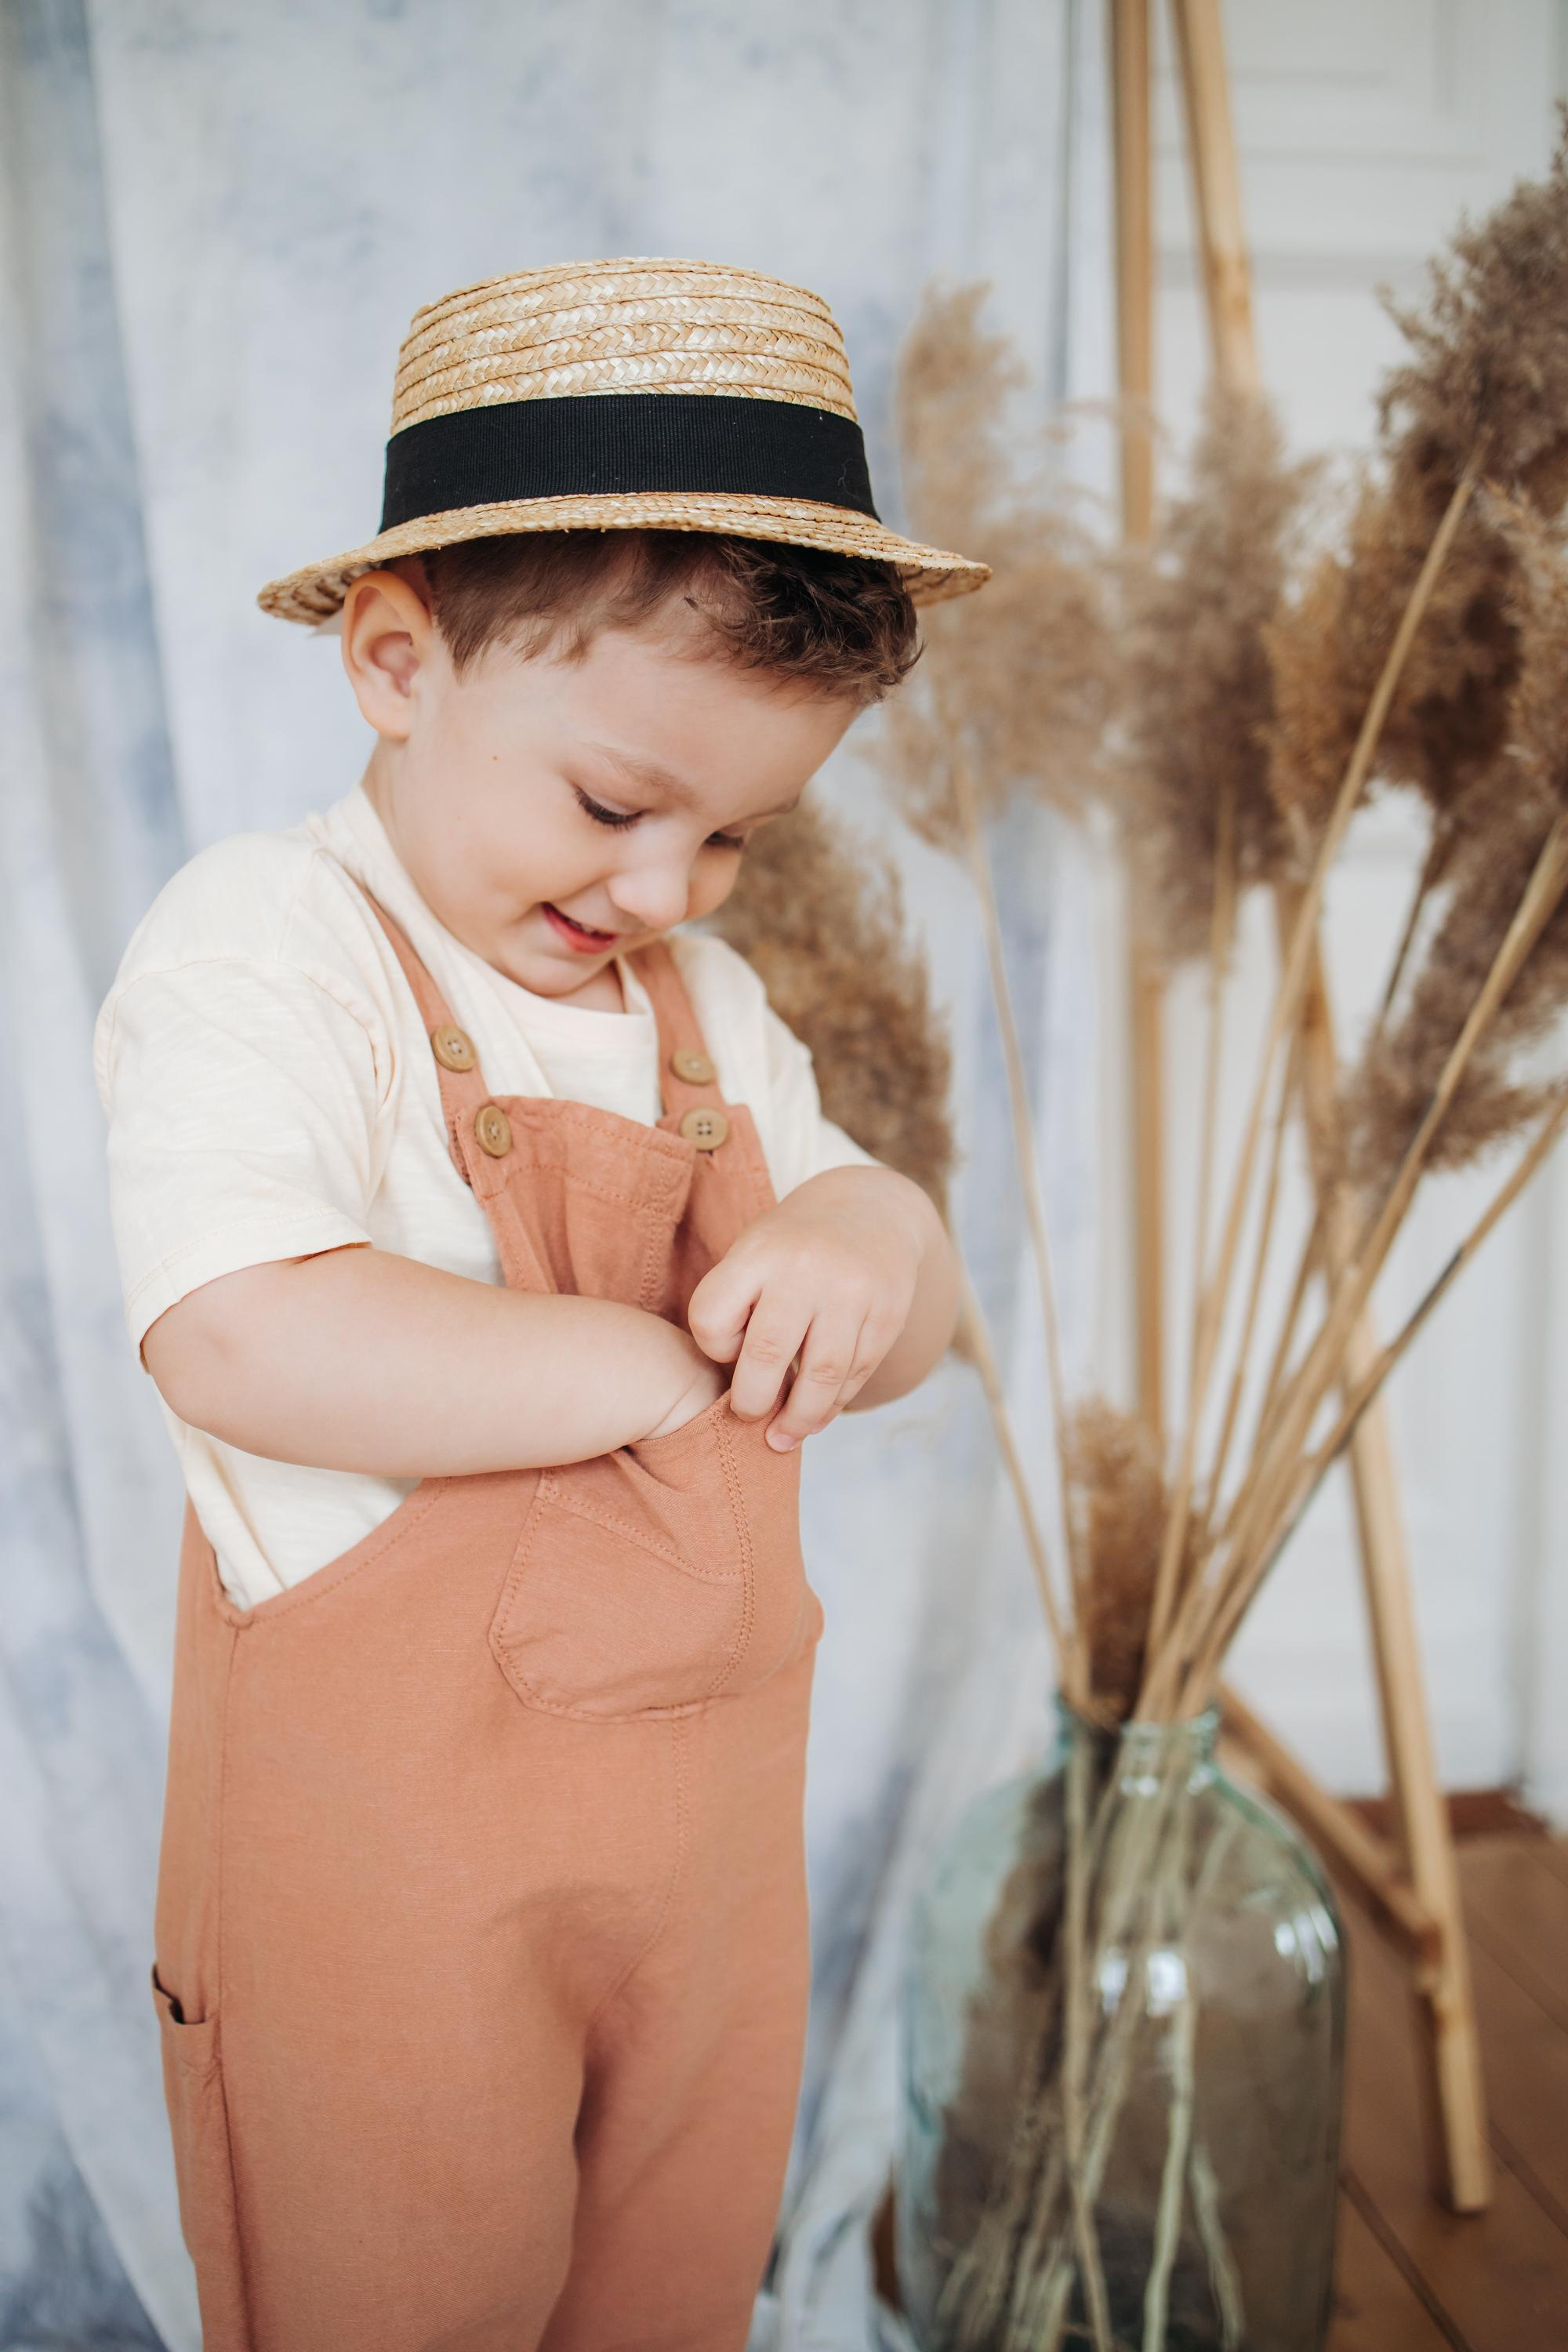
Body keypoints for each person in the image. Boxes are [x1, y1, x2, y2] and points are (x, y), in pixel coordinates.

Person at [93, 256, 988, 2352]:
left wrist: (874, 1238)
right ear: (398, 661)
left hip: (704, 1870)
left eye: (737, 836)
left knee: (669, 2285)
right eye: (612, 804)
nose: (664, 891)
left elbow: (912, 1333)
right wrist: (642, 1369)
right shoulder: (273, 945)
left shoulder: (706, 1008)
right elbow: (237, 1330)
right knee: (392, 2284)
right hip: (385, 1885)